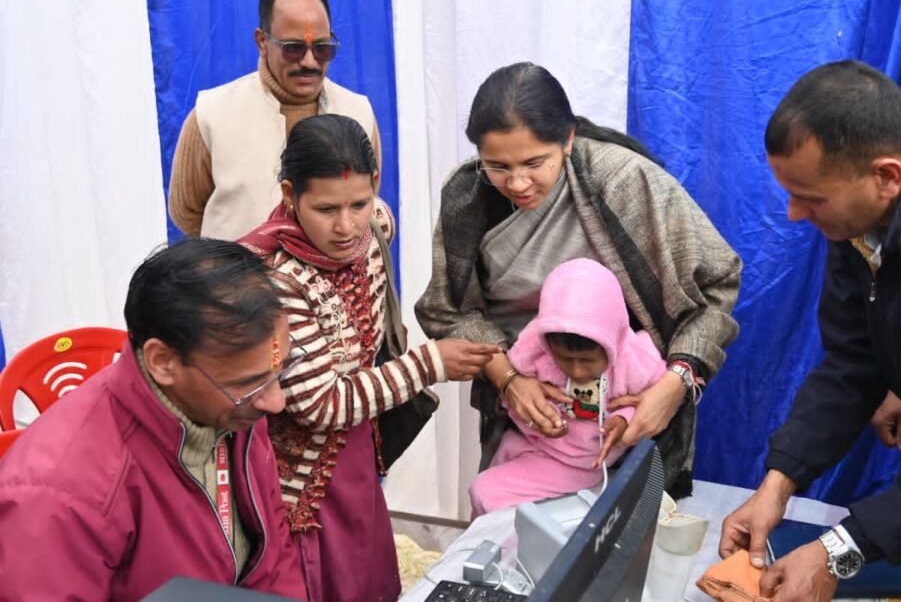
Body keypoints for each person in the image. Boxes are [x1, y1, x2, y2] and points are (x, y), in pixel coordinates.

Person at [415, 62, 742, 499]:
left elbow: (717, 284)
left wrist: (674, 384)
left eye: (534, 163)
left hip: (632, 402)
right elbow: (449, 310)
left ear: (568, 139)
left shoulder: (625, 182)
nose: (517, 183)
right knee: (508, 508)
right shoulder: (468, 197)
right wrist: (509, 380)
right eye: (497, 166)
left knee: (624, 525)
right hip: (526, 406)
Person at [718, 60, 901, 602]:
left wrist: (837, 550)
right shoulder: (857, 218)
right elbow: (854, 361)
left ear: (887, 176)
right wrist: (780, 481)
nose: (793, 214)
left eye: (812, 198)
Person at [238, 113, 501, 602]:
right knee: (326, 582)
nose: (345, 226)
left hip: (358, 444)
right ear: (290, 194)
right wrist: (429, 364)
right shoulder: (274, 279)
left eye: (358, 203)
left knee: (370, 575)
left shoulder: (376, 224)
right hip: (303, 481)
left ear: (375, 183)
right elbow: (321, 406)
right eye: (325, 209)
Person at [0, 239, 307, 601]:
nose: (275, 402)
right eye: (248, 383)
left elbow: (272, 557)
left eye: (279, 372)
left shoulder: (232, 408)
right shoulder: (60, 492)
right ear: (162, 362)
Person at [169, 0, 381, 240]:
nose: (309, 61)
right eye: (293, 48)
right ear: (262, 42)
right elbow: (187, 212)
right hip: (238, 267)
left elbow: (365, 199)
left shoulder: (357, 112)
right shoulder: (213, 114)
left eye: (322, 48)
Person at [469, 258, 667, 517]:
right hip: (524, 443)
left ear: (615, 340)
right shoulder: (533, 350)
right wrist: (537, 411)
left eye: (588, 360)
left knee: (485, 492)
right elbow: (514, 393)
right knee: (495, 498)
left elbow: (651, 402)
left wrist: (624, 420)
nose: (576, 371)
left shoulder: (635, 363)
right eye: (563, 358)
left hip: (577, 465)